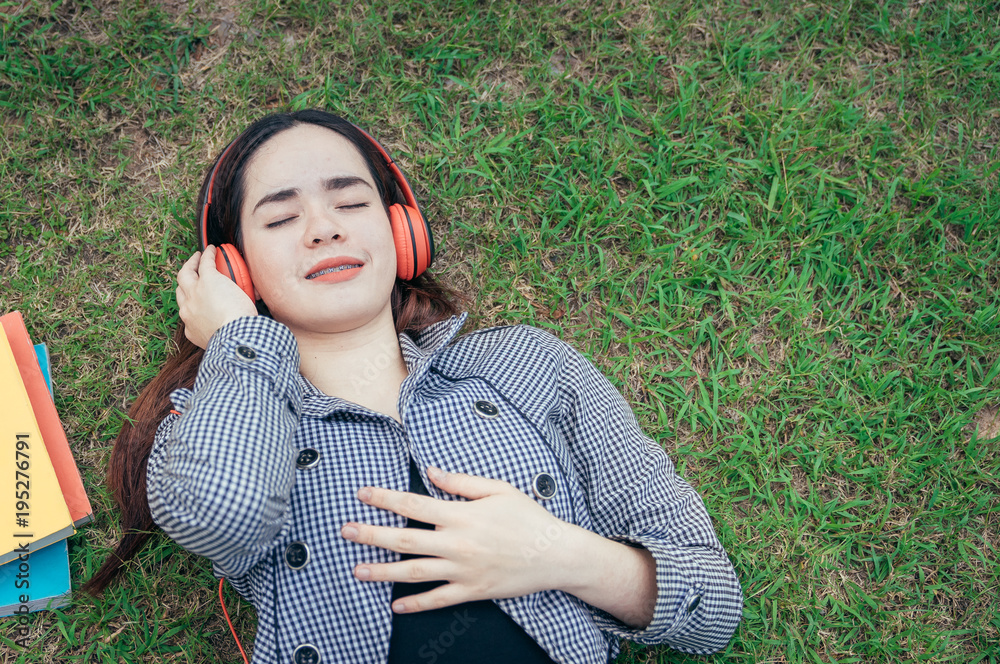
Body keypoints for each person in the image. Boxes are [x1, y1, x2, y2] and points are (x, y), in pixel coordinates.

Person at [86, 109, 743, 663]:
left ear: (402, 234)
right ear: (236, 270)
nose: (324, 228)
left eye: (349, 201)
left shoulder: (529, 363)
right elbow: (220, 512)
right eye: (281, 220)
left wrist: (558, 555)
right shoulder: (212, 415)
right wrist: (237, 342)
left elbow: (714, 607)